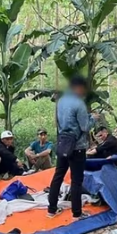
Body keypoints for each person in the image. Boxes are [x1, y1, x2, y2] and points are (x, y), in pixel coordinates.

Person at [47, 76, 98, 220]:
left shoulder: (61, 101)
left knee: (58, 176)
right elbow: (85, 127)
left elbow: (58, 122)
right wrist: (93, 119)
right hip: (77, 147)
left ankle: (51, 209)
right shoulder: (79, 104)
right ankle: (77, 213)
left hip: (63, 144)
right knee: (76, 180)